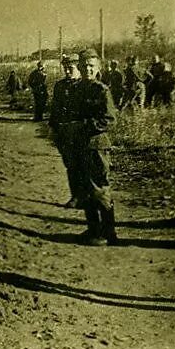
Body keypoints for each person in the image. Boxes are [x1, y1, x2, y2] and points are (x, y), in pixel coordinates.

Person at [71, 49, 118, 245]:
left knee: (99, 189)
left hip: (97, 146)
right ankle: (93, 230)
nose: (87, 70)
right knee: (85, 188)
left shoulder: (102, 90)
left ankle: (108, 233)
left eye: (91, 66)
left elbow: (109, 119)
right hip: (81, 145)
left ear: (98, 69)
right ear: (79, 68)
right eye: (84, 66)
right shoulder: (77, 88)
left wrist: (85, 125)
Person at [48, 54, 82, 208]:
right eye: (65, 68)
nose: (67, 72)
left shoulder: (87, 86)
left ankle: (88, 198)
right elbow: (55, 109)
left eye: (71, 68)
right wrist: (53, 129)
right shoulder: (60, 86)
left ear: (79, 68)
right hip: (65, 133)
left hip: (83, 133)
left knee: (86, 167)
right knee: (71, 165)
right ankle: (76, 196)